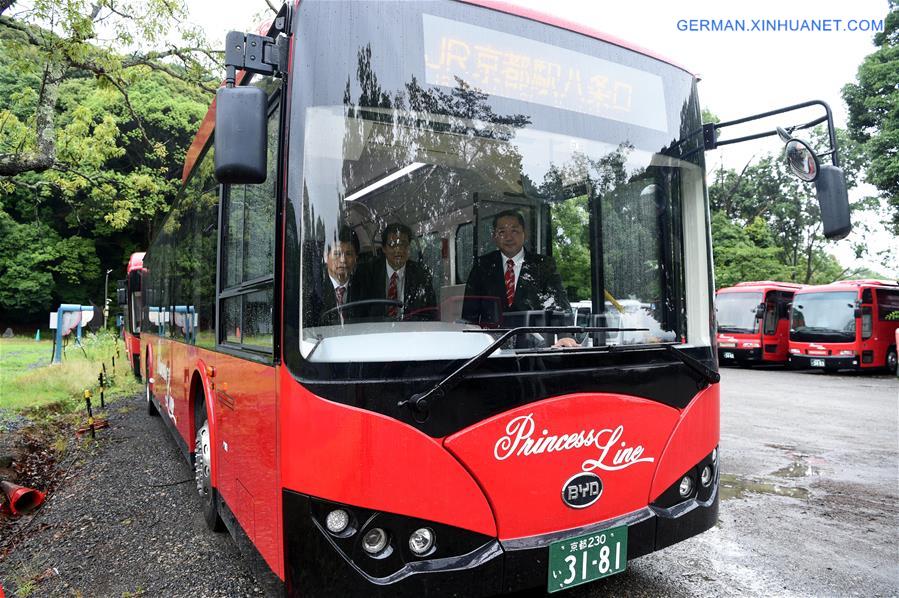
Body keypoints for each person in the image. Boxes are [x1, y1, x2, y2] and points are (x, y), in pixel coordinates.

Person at [462, 210, 578, 347]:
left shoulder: (543, 265)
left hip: (535, 350)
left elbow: (559, 303)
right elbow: (470, 313)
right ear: (494, 236)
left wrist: (565, 336)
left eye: (514, 231)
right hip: (491, 349)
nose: (509, 237)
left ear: (525, 234)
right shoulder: (482, 266)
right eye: (502, 232)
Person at [354, 223, 437, 321]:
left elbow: (431, 313)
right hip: (377, 331)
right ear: (384, 248)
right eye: (393, 244)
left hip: (411, 331)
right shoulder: (367, 273)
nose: (398, 249)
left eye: (403, 244)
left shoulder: (421, 274)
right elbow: (359, 314)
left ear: (409, 248)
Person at [307, 226, 359, 326]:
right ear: (326, 256)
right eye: (337, 254)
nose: (343, 260)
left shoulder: (365, 288)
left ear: (356, 258)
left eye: (348, 254)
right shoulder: (312, 290)